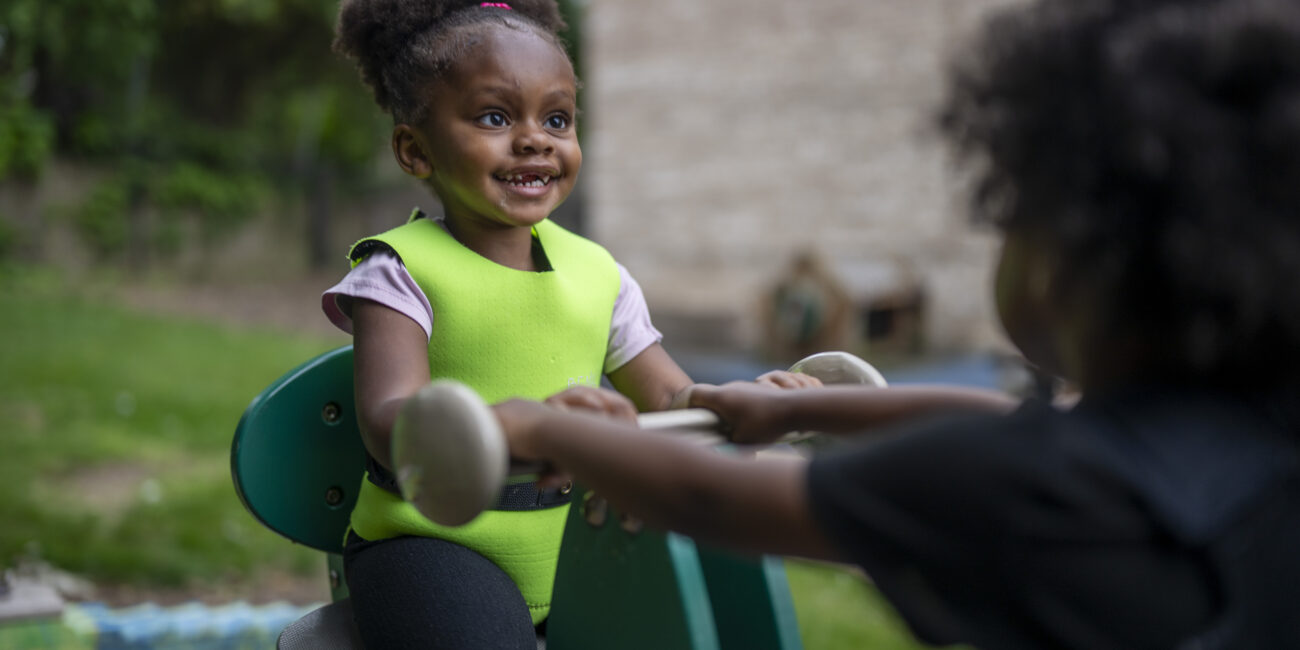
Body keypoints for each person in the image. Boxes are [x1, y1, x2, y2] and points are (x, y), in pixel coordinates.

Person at [488, 0, 1300, 647]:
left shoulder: (1022, 492)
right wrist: (799, 407)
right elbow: (1005, 422)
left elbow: (715, 499)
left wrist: (559, 434)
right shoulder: (1247, 446)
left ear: (1071, 264)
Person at [320, 1, 815, 647]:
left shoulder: (598, 274)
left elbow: (667, 397)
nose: (535, 139)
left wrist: (734, 400)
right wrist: (525, 427)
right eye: (494, 117)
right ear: (416, 150)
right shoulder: (399, 271)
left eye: (557, 118)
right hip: (432, 546)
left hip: (577, 536)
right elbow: (391, 422)